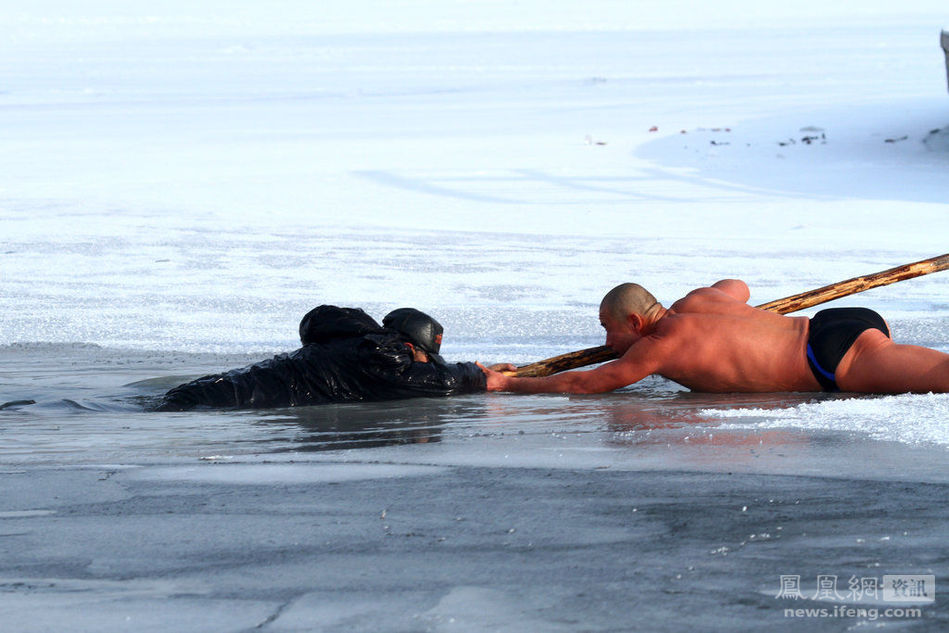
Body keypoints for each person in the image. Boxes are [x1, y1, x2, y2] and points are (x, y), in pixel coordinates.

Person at [480, 280, 949, 395]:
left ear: (636, 324)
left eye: (608, 329)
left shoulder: (659, 346)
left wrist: (509, 384)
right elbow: (738, 287)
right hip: (834, 322)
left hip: (830, 357)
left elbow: (584, 384)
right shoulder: (699, 300)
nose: (605, 340)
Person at [155, 305, 511, 411]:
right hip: (216, 403)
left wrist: (481, 369)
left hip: (207, 394)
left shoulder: (353, 349)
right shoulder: (377, 353)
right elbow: (439, 381)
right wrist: (479, 377)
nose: (424, 366)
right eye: (424, 357)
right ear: (408, 347)